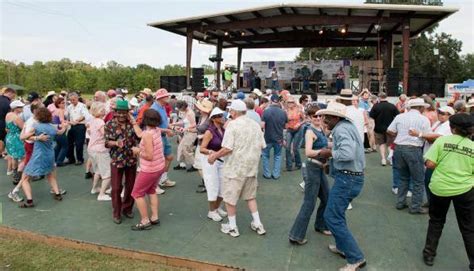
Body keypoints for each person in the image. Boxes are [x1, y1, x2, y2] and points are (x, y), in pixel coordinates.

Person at [317, 102, 367, 271]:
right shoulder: (347, 126)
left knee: (331, 216)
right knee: (337, 213)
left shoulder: (341, 129)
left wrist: (328, 153)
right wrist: (331, 147)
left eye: (326, 117)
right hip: (352, 177)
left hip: (348, 179)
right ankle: (342, 247)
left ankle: (355, 258)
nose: (323, 120)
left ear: (335, 118)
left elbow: (347, 154)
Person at [208, 99, 267, 237]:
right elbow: (262, 145)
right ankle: (258, 224)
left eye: (230, 111)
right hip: (251, 167)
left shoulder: (232, 126)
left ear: (233, 112)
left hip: (235, 168)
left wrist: (214, 156)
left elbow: (227, 148)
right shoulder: (255, 125)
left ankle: (233, 227)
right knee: (250, 197)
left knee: (230, 199)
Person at [422, 113, 473, 269]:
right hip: (465, 189)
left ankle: (429, 254)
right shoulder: (472, 147)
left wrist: (444, 168)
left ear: (452, 128)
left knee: (436, 221)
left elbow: (429, 163)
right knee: (468, 226)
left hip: (440, 187)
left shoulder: (442, 141)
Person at [289, 106, 331, 245]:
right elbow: (307, 152)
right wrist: (323, 152)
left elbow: (326, 144)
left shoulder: (321, 130)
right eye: (314, 116)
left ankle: (320, 225)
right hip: (312, 169)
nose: (318, 118)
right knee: (309, 203)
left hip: (320, 169)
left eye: (319, 116)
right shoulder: (309, 131)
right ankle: (296, 235)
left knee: (327, 198)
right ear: (309, 117)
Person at [387, 98, 432, 214]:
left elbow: (390, 130)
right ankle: (415, 206)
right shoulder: (424, 119)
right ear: (421, 108)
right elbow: (429, 135)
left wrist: (399, 135)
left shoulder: (400, 117)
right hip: (413, 148)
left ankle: (401, 202)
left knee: (403, 177)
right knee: (418, 179)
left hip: (399, 148)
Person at [19, 107, 68, 207]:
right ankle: (57, 194)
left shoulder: (36, 127)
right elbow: (61, 132)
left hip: (38, 155)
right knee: (50, 175)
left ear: (38, 116)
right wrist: (65, 126)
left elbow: (22, 137)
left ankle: (29, 201)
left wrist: (25, 129)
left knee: (24, 178)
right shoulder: (52, 127)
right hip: (50, 154)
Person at [409, 106, 454, 203]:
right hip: (430, 152)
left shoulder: (448, 125)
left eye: (443, 113)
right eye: (439, 112)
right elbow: (430, 134)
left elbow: (436, 136)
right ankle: (431, 202)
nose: (440, 115)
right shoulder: (438, 123)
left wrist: (420, 134)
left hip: (437, 156)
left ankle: (433, 203)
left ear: (449, 116)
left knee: (431, 180)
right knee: (428, 180)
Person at [105, 100, 140, 224]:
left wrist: (134, 122)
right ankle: (117, 212)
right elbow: (106, 142)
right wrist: (115, 143)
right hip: (117, 159)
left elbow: (139, 137)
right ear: (115, 112)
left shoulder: (132, 125)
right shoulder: (109, 124)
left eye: (124, 113)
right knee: (116, 188)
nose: (121, 115)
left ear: (127, 113)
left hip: (131, 159)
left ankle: (127, 209)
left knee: (131, 186)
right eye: (119, 112)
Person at [130, 109, 166, 231]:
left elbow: (149, 156)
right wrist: (134, 123)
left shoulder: (148, 134)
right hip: (159, 167)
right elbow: (141, 134)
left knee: (137, 193)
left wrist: (138, 151)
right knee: (151, 190)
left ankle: (145, 221)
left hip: (149, 169)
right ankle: (154, 217)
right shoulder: (155, 130)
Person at [200, 107, 228, 222]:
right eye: (221, 116)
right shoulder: (209, 132)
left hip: (221, 161)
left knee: (222, 186)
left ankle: (216, 208)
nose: (223, 117)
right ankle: (211, 211)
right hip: (210, 162)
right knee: (213, 186)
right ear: (214, 118)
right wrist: (211, 152)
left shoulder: (223, 129)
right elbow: (202, 148)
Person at [150, 88, 176, 189]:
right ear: (161, 98)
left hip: (163, 136)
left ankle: (162, 179)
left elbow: (164, 122)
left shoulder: (162, 107)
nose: (168, 97)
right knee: (157, 161)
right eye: (166, 96)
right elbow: (152, 128)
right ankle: (155, 185)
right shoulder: (154, 109)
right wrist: (167, 131)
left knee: (169, 157)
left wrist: (171, 127)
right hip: (157, 138)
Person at [87, 102, 112, 201]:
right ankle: (101, 194)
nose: (104, 111)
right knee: (107, 173)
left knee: (97, 170)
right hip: (100, 149)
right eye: (102, 109)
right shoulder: (100, 122)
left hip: (91, 148)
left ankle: (94, 188)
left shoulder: (92, 120)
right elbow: (105, 135)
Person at [262, 94, 288, 179]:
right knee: (278, 155)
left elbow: (262, 126)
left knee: (265, 155)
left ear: (271, 101)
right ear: (279, 101)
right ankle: (276, 174)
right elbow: (286, 127)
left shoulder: (266, 111)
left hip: (267, 137)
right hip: (279, 138)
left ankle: (267, 174)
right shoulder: (283, 113)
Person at [369, 92, 399, 166]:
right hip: (390, 129)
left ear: (379, 97)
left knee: (381, 144)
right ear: (386, 97)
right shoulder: (392, 106)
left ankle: (383, 159)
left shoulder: (376, 106)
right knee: (390, 144)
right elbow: (397, 116)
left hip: (378, 128)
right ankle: (391, 159)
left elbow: (371, 116)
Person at [170, 100, 197, 172]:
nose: (179, 110)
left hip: (191, 133)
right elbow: (183, 122)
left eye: (179, 108)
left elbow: (194, 124)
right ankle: (182, 164)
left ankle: (194, 165)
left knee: (186, 149)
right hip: (187, 132)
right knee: (180, 148)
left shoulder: (190, 113)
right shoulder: (186, 112)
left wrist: (185, 128)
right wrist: (174, 124)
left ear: (182, 107)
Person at [5, 100, 26, 183]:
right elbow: (23, 127)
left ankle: (15, 176)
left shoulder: (8, 115)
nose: (22, 108)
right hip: (17, 138)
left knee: (14, 157)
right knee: (24, 157)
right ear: (16, 108)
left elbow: (7, 127)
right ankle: (20, 174)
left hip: (9, 138)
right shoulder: (16, 117)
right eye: (21, 107)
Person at [66, 92, 89, 165]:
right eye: (71, 100)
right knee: (69, 143)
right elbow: (67, 115)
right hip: (71, 126)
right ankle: (71, 159)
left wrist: (77, 121)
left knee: (79, 143)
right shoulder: (69, 107)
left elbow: (84, 115)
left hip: (80, 126)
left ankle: (80, 159)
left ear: (77, 98)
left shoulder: (82, 106)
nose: (72, 101)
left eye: (74, 100)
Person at [285, 96, 304, 171]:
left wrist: (299, 124)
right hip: (289, 129)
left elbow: (305, 119)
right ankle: (289, 166)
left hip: (298, 129)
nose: (290, 104)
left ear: (294, 103)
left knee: (295, 148)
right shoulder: (286, 111)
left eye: (292, 102)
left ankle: (298, 164)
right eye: (289, 102)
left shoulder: (299, 110)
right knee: (287, 148)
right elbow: (284, 120)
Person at [52, 97, 69, 166]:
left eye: (64, 103)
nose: (64, 104)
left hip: (55, 130)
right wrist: (66, 124)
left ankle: (55, 159)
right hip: (60, 130)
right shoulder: (60, 110)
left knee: (59, 145)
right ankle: (59, 161)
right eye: (62, 103)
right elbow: (62, 120)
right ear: (58, 104)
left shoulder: (55, 110)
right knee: (65, 146)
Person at [0, 88, 16, 158]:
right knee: (3, 138)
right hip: (3, 123)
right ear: (10, 93)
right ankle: (2, 152)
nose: (13, 97)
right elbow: (10, 116)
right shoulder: (8, 103)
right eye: (13, 95)